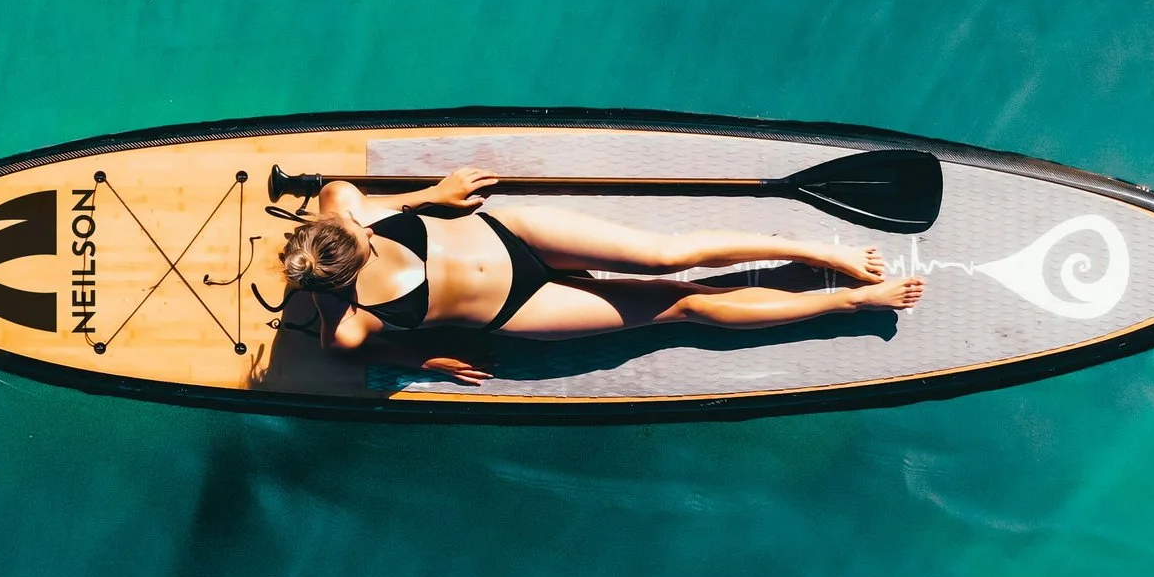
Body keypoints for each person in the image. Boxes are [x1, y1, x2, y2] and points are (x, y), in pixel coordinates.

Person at [278, 167, 923, 385]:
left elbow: (345, 190)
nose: (368, 232)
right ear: (342, 279)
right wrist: (432, 364)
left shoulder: (341, 209)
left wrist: (429, 197)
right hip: (520, 310)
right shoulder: (351, 322)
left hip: (514, 235)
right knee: (685, 308)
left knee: (672, 255)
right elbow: (357, 354)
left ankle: (819, 252)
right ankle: (849, 305)